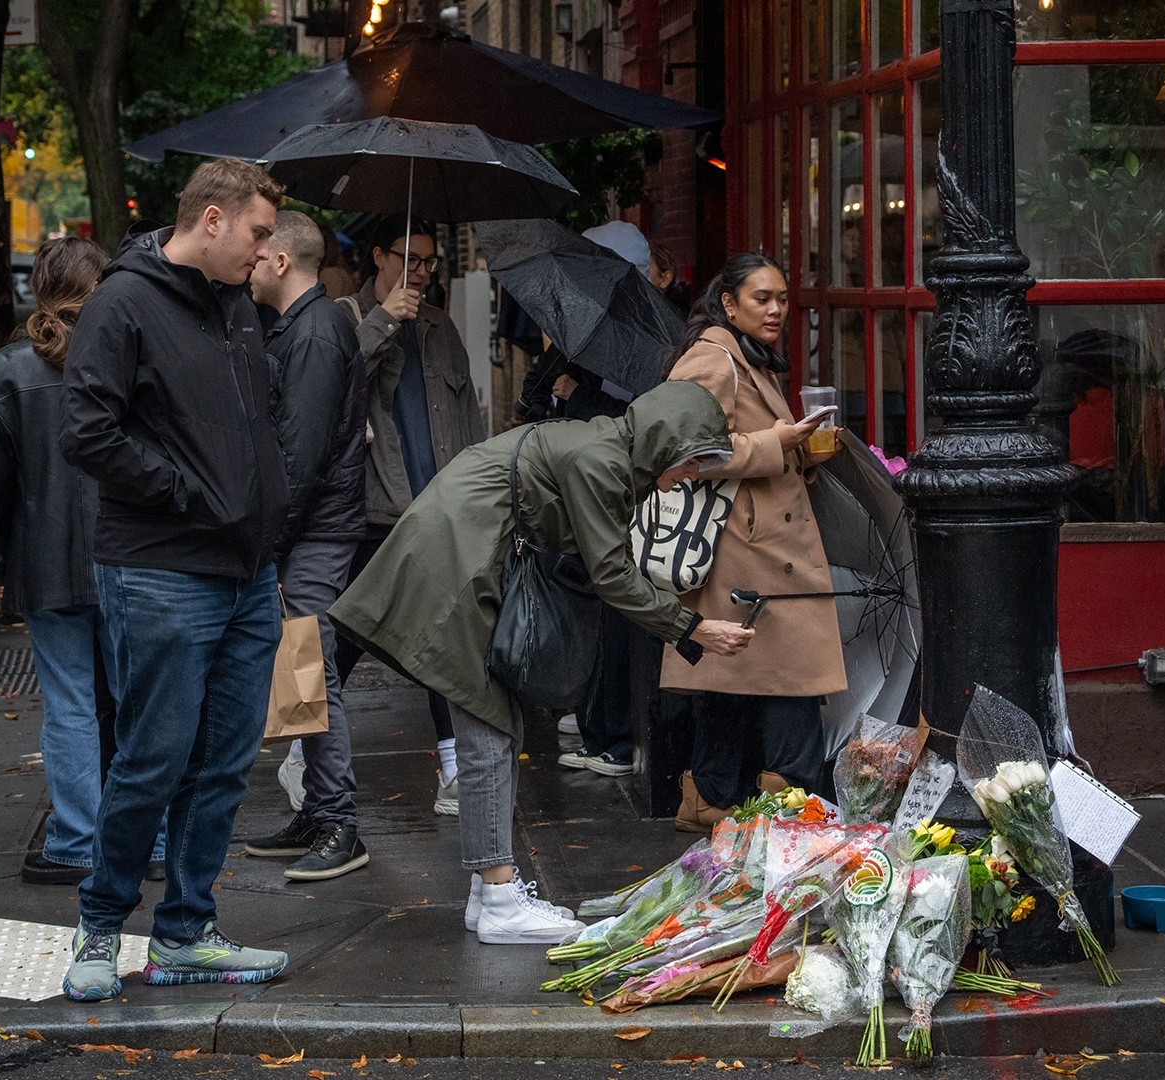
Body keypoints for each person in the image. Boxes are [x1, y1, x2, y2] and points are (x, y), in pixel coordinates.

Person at [328, 380, 755, 943]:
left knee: (495, 728)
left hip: (465, 553)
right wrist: (692, 627)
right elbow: (611, 575)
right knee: (485, 729)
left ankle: (490, 893)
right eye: (694, 461)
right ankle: (500, 899)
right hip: (455, 562)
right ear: (666, 445)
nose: (695, 475)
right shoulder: (601, 462)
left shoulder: (611, 455)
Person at [58, 159, 292, 1000]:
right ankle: (98, 928)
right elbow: (86, 432)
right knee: (153, 759)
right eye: (260, 233)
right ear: (215, 220)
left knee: (224, 764)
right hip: (160, 572)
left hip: (245, 574)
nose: (269, 253)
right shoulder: (124, 301)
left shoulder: (234, 306)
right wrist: (189, 493)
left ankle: (185, 933)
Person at [0, 236, 167, 886]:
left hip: (44, 560)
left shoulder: (7, 370)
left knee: (69, 705)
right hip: (128, 552)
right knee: (138, 699)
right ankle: (155, 839)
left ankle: (78, 839)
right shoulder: (129, 353)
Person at [661, 253, 846, 832]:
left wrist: (802, 452)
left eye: (782, 298)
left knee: (734, 684)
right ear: (729, 303)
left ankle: (715, 800)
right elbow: (682, 453)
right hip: (750, 556)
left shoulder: (752, 360)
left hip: (763, 553)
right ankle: (796, 808)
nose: (775, 309)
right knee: (791, 682)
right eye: (761, 298)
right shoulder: (713, 360)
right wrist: (774, 442)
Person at [335, 214, 486, 815]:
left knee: (439, 629)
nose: (420, 272)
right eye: (408, 258)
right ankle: (305, 745)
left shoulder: (441, 327)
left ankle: (453, 764)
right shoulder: (346, 319)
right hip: (375, 509)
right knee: (351, 633)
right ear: (378, 255)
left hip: (438, 504)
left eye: (428, 262)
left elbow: (465, 414)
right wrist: (381, 325)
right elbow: (335, 393)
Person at [241, 211, 371, 881]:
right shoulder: (303, 327)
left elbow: (302, 453)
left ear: (283, 262)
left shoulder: (317, 334)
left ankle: (342, 825)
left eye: (258, 255)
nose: (251, 263)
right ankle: (320, 813)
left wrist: (274, 541)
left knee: (311, 666)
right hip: (311, 527)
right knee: (301, 669)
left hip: (314, 528)